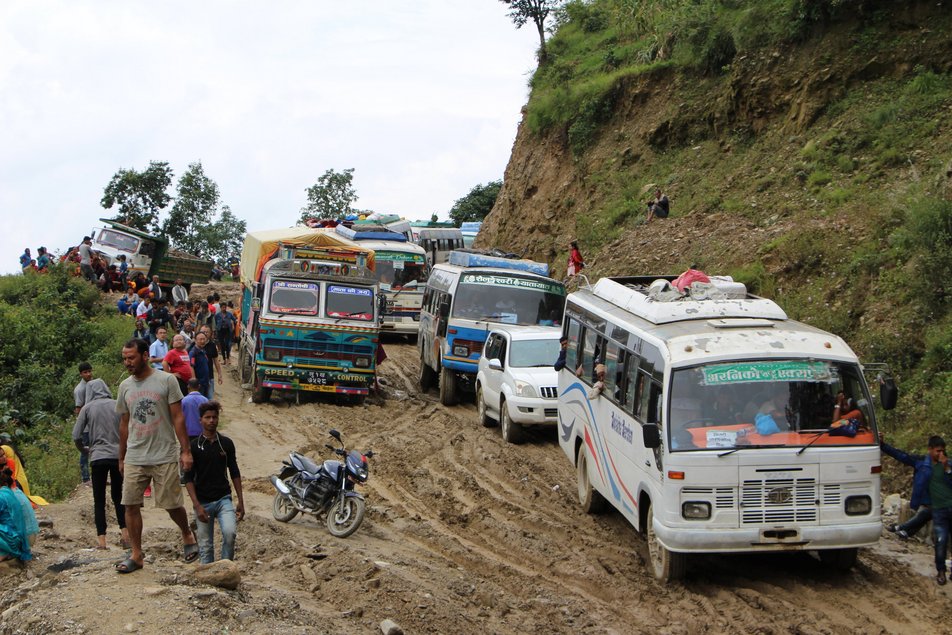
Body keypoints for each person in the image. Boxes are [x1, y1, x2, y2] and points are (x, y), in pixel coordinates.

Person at [115, 338, 198, 574]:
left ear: (144, 355)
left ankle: (186, 533)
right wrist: (121, 457)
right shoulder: (125, 387)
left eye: (131, 357)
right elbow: (123, 423)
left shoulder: (166, 380)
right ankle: (136, 554)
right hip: (135, 454)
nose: (127, 362)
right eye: (124, 358)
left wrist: (185, 451)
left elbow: (178, 417)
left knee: (172, 505)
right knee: (130, 504)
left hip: (163, 453)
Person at [72, 379, 130, 550]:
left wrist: (85, 450)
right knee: (119, 496)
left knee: (99, 499)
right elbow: (129, 429)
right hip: (117, 456)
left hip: (97, 457)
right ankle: (125, 536)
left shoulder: (87, 408)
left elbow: (76, 435)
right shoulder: (117, 405)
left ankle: (102, 541)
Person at [184, 401, 244, 564]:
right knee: (205, 546)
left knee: (230, 534)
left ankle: (226, 569)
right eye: (207, 417)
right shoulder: (194, 446)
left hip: (224, 498)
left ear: (218, 419)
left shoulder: (226, 444)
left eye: (214, 417)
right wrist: (197, 506)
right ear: (200, 420)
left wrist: (240, 500)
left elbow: (234, 471)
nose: (211, 420)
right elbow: (188, 478)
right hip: (203, 501)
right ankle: (208, 579)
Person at [880, 432, 935, 542]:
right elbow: (901, 455)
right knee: (926, 514)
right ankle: (904, 531)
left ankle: (901, 528)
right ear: (930, 450)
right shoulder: (921, 462)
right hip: (925, 502)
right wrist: (883, 445)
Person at [0, 468, 32, 562]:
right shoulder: (9, 493)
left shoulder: (1, 496)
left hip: (12, 540)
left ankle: (5, 552)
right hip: (18, 539)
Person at [74, 362, 94, 485]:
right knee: (85, 451)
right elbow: (78, 409)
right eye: (85, 372)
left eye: (89, 371)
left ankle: (95, 475)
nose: (88, 374)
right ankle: (85, 478)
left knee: (95, 450)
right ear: (81, 374)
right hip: (86, 426)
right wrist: (82, 426)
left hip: (94, 424)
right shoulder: (79, 389)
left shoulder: (93, 385)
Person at [197, 326, 223, 400]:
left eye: (207, 332)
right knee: (199, 399)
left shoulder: (212, 345)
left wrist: (219, 374)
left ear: (210, 333)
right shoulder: (194, 346)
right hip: (198, 378)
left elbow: (216, 361)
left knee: (209, 399)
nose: (205, 333)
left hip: (209, 377)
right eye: (203, 331)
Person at [190, 331, 212, 398]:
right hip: (199, 384)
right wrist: (194, 382)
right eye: (200, 339)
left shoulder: (203, 351)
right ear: (196, 341)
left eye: (204, 339)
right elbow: (191, 367)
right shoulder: (193, 353)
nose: (202, 341)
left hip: (205, 382)